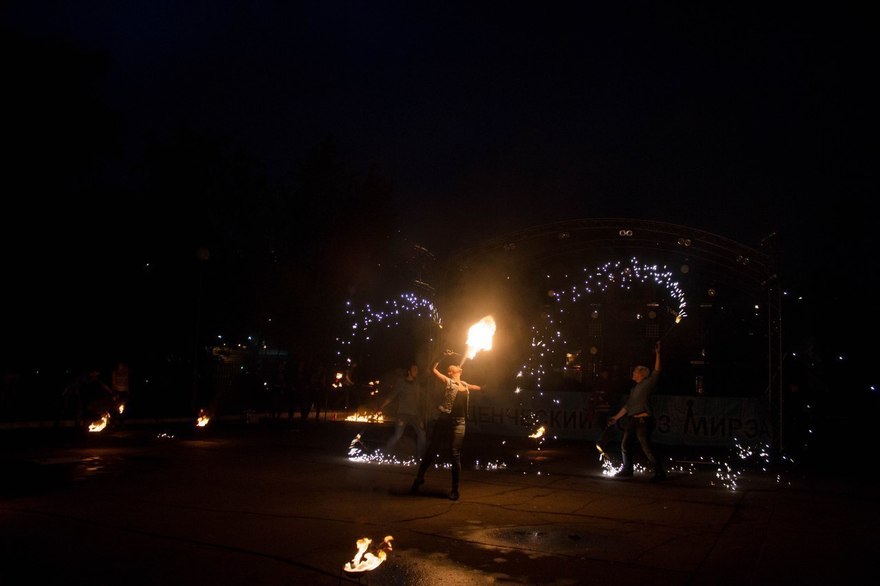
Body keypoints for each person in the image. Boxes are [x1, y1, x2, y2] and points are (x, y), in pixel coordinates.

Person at [410, 350, 482, 501]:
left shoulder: (464, 384)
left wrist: (485, 385)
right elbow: (432, 368)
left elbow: (478, 387)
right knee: (432, 450)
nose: (457, 365)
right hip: (444, 420)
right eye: (453, 366)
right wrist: (442, 355)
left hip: (460, 422)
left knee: (455, 455)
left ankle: (455, 489)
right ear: (450, 372)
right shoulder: (447, 381)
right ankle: (419, 478)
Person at [607, 341, 666, 482]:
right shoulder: (634, 389)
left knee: (647, 447)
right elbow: (627, 406)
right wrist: (615, 418)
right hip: (633, 420)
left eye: (635, 371)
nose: (633, 372)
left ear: (641, 374)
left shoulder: (647, 383)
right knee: (625, 444)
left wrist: (658, 354)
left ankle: (660, 473)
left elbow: (657, 371)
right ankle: (627, 470)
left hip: (644, 421)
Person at [380, 363, 427, 457]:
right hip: (403, 414)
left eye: (417, 370)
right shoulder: (401, 383)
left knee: (422, 434)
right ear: (409, 372)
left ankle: (420, 456)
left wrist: (420, 417)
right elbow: (393, 395)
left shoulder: (416, 384)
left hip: (415, 414)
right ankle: (385, 454)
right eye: (414, 370)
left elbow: (418, 401)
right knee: (398, 435)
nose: (416, 372)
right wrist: (382, 406)